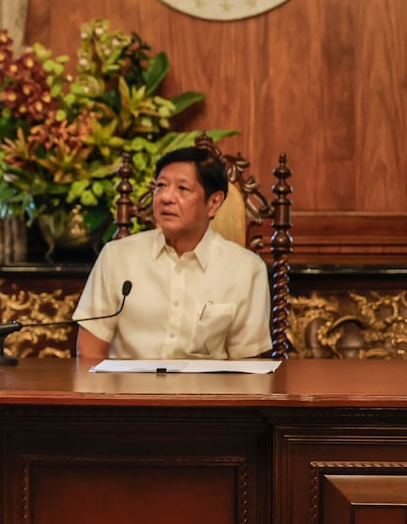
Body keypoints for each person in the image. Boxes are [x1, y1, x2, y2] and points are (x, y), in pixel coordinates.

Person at [74, 146, 272, 363]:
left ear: (214, 202)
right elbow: (90, 352)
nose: (166, 197)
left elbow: (246, 368)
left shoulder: (246, 270)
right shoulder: (117, 256)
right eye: (161, 186)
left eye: (182, 189)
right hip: (128, 393)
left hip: (204, 394)